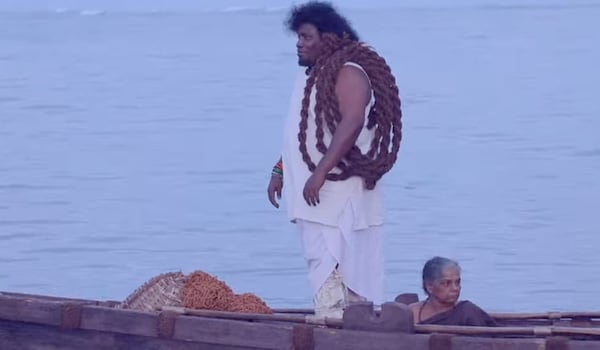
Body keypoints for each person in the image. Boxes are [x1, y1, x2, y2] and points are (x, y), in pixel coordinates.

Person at [267, 1, 402, 318]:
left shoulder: (349, 72)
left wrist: (321, 173)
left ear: (329, 37)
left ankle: (342, 326)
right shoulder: (313, 76)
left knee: (343, 261)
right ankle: (334, 319)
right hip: (316, 196)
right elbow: (306, 135)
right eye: (298, 37)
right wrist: (280, 170)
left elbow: (352, 121)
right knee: (323, 261)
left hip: (338, 192)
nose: (299, 44)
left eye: (306, 37)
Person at [409, 257, 497, 326]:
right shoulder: (413, 313)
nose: (455, 288)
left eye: (457, 282)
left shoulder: (467, 312)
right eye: (447, 283)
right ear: (430, 287)